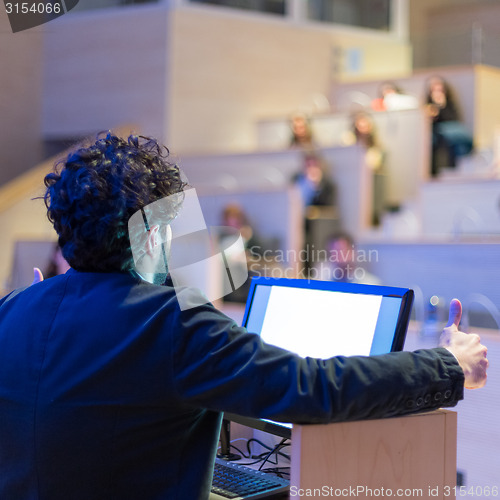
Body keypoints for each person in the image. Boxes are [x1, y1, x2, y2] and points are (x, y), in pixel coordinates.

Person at [0, 133, 488, 499]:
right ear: (150, 236)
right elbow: (311, 388)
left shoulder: (14, 310)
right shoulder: (171, 323)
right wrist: (448, 363)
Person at [425, 76, 474, 177]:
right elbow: (427, 123)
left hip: (448, 130)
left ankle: (459, 170)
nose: (437, 92)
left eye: (439, 89)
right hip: (434, 131)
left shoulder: (449, 103)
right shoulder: (427, 105)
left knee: (461, 138)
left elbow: (453, 119)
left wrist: (441, 106)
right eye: (434, 89)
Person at [313, 232, 381, 285]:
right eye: (332, 253)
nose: (336, 258)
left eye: (340, 251)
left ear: (353, 252)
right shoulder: (321, 279)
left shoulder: (371, 283)